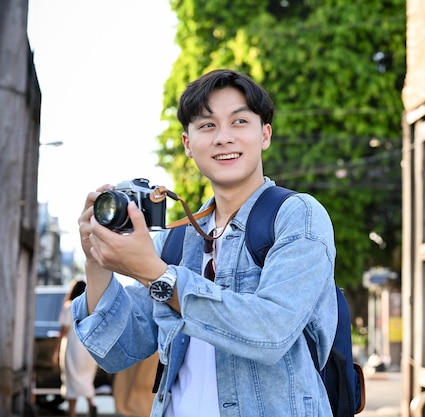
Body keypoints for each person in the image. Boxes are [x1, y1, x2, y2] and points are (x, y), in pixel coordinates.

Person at [73, 69, 338, 417]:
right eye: (207, 125)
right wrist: (97, 261)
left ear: (265, 135)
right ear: (188, 143)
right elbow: (117, 351)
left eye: (239, 121)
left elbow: (271, 331)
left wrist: (159, 276)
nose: (223, 137)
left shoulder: (297, 216)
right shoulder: (178, 239)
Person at [53, 279, 98, 417]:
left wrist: (56, 351)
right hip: (89, 350)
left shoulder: (69, 306)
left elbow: (64, 330)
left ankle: (72, 413)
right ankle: (91, 403)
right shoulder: (92, 306)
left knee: (72, 381)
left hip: (73, 348)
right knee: (86, 380)